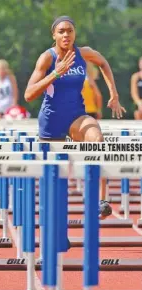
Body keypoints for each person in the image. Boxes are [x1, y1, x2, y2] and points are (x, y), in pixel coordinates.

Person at [24, 16, 126, 221]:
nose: (66, 35)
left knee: (97, 138)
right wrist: (55, 74)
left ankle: (101, 201)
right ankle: (55, 230)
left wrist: (113, 93)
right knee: (54, 180)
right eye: (61, 31)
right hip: (51, 121)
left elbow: (103, 62)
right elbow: (28, 94)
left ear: (74, 33)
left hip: (76, 117)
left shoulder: (83, 53)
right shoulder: (47, 58)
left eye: (70, 30)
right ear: (54, 35)